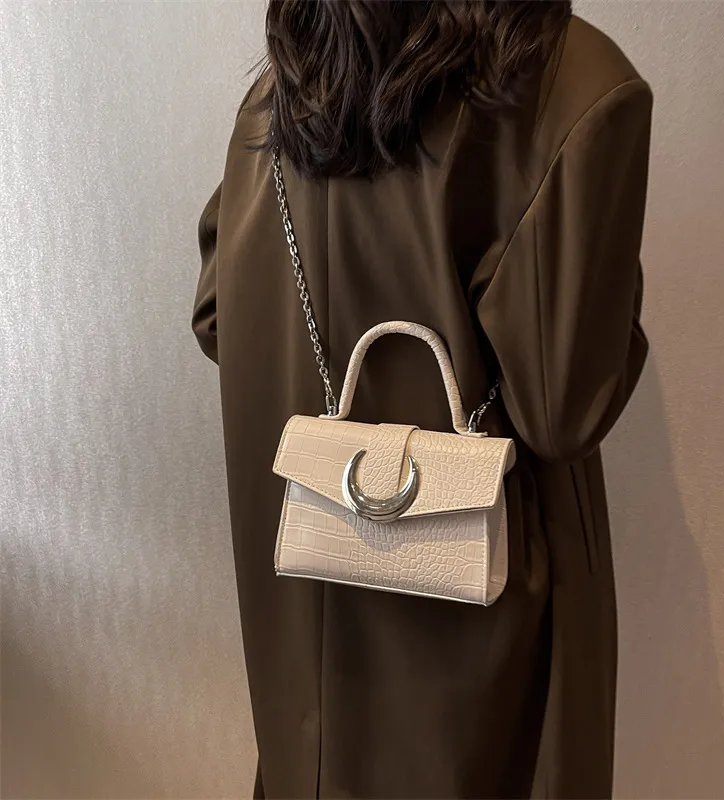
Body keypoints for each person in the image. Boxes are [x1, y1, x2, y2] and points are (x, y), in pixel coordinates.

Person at [192, 2, 652, 797]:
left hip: (308, 654)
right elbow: (565, 405)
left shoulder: (285, 93)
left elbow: (216, 319)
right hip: (490, 662)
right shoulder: (567, 79)